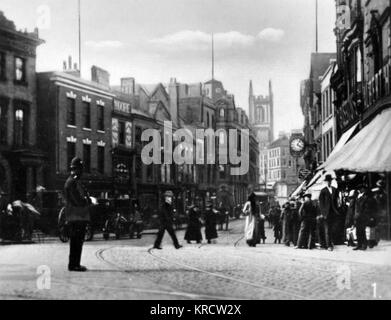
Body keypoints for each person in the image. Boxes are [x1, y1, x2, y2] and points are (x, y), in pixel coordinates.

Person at [64, 157, 91, 272]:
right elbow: (77, 200)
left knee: (77, 241)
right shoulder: (72, 182)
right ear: (76, 169)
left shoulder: (73, 181)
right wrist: (87, 201)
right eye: (80, 169)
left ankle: (75, 263)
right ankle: (74, 265)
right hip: (76, 216)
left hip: (76, 216)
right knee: (77, 241)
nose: (81, 171)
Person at [318, 174, 339, 251]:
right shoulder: (323, 191)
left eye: (330, 181)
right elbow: (321, 203)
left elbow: (337, 201)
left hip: (333, 212)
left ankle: (331, 242)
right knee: (327, 229)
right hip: (326, 213)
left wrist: (337, 210)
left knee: (332, 229)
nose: (329, 182)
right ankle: (328, 245)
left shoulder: (334, 189)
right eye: (327, 181)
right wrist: (323, 213)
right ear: (325, 182)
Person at [354, 184, 377, 251]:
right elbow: (356, 207)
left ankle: (364, 245)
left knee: (362, 231)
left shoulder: (366, 197)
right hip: (357, 216)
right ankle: (359, 244)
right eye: (359, 189)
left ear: (363, 189)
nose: (360, 190)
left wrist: (362, 215)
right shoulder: (358, 196)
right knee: (358, 231)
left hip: (363, 216)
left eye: (361, 189)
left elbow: (367, 208)